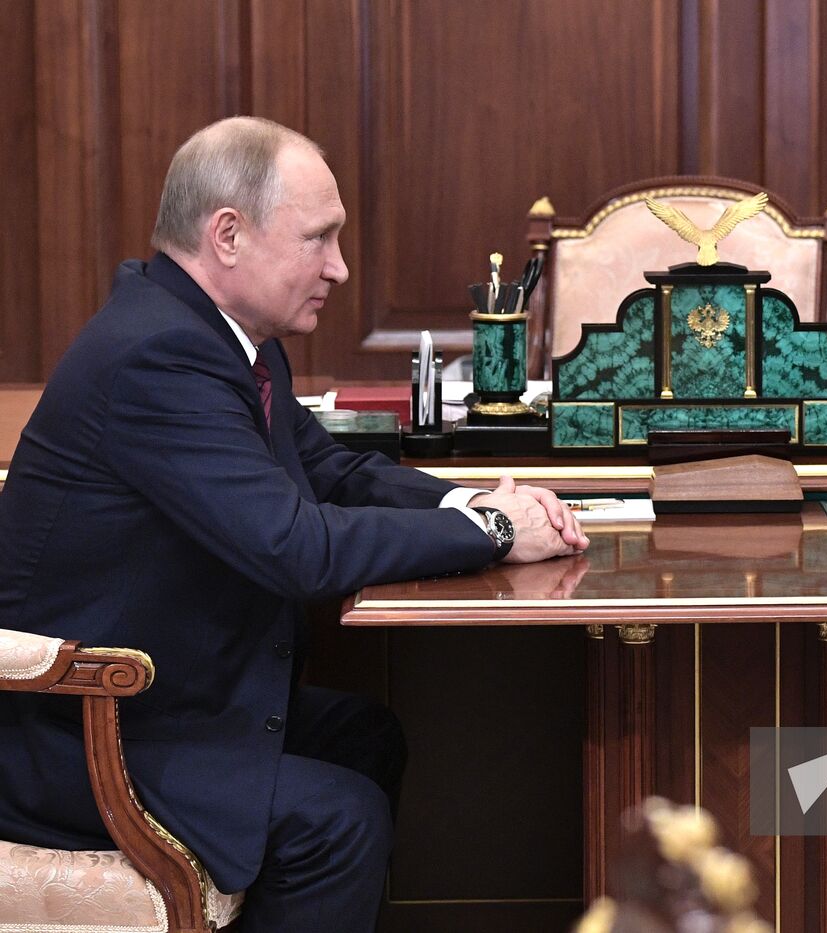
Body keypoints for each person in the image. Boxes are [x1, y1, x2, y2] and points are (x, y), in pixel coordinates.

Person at [0, 116, 588, 932]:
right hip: (84, 735)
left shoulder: (231, 340)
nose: (340, 268)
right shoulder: (156, 358)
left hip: (169, 701)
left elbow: (330, 470)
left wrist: (469, 502)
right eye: (319, 239)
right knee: (339, 821)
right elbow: (297, 547)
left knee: (365, 734)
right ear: (228, 235)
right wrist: (490, 534)